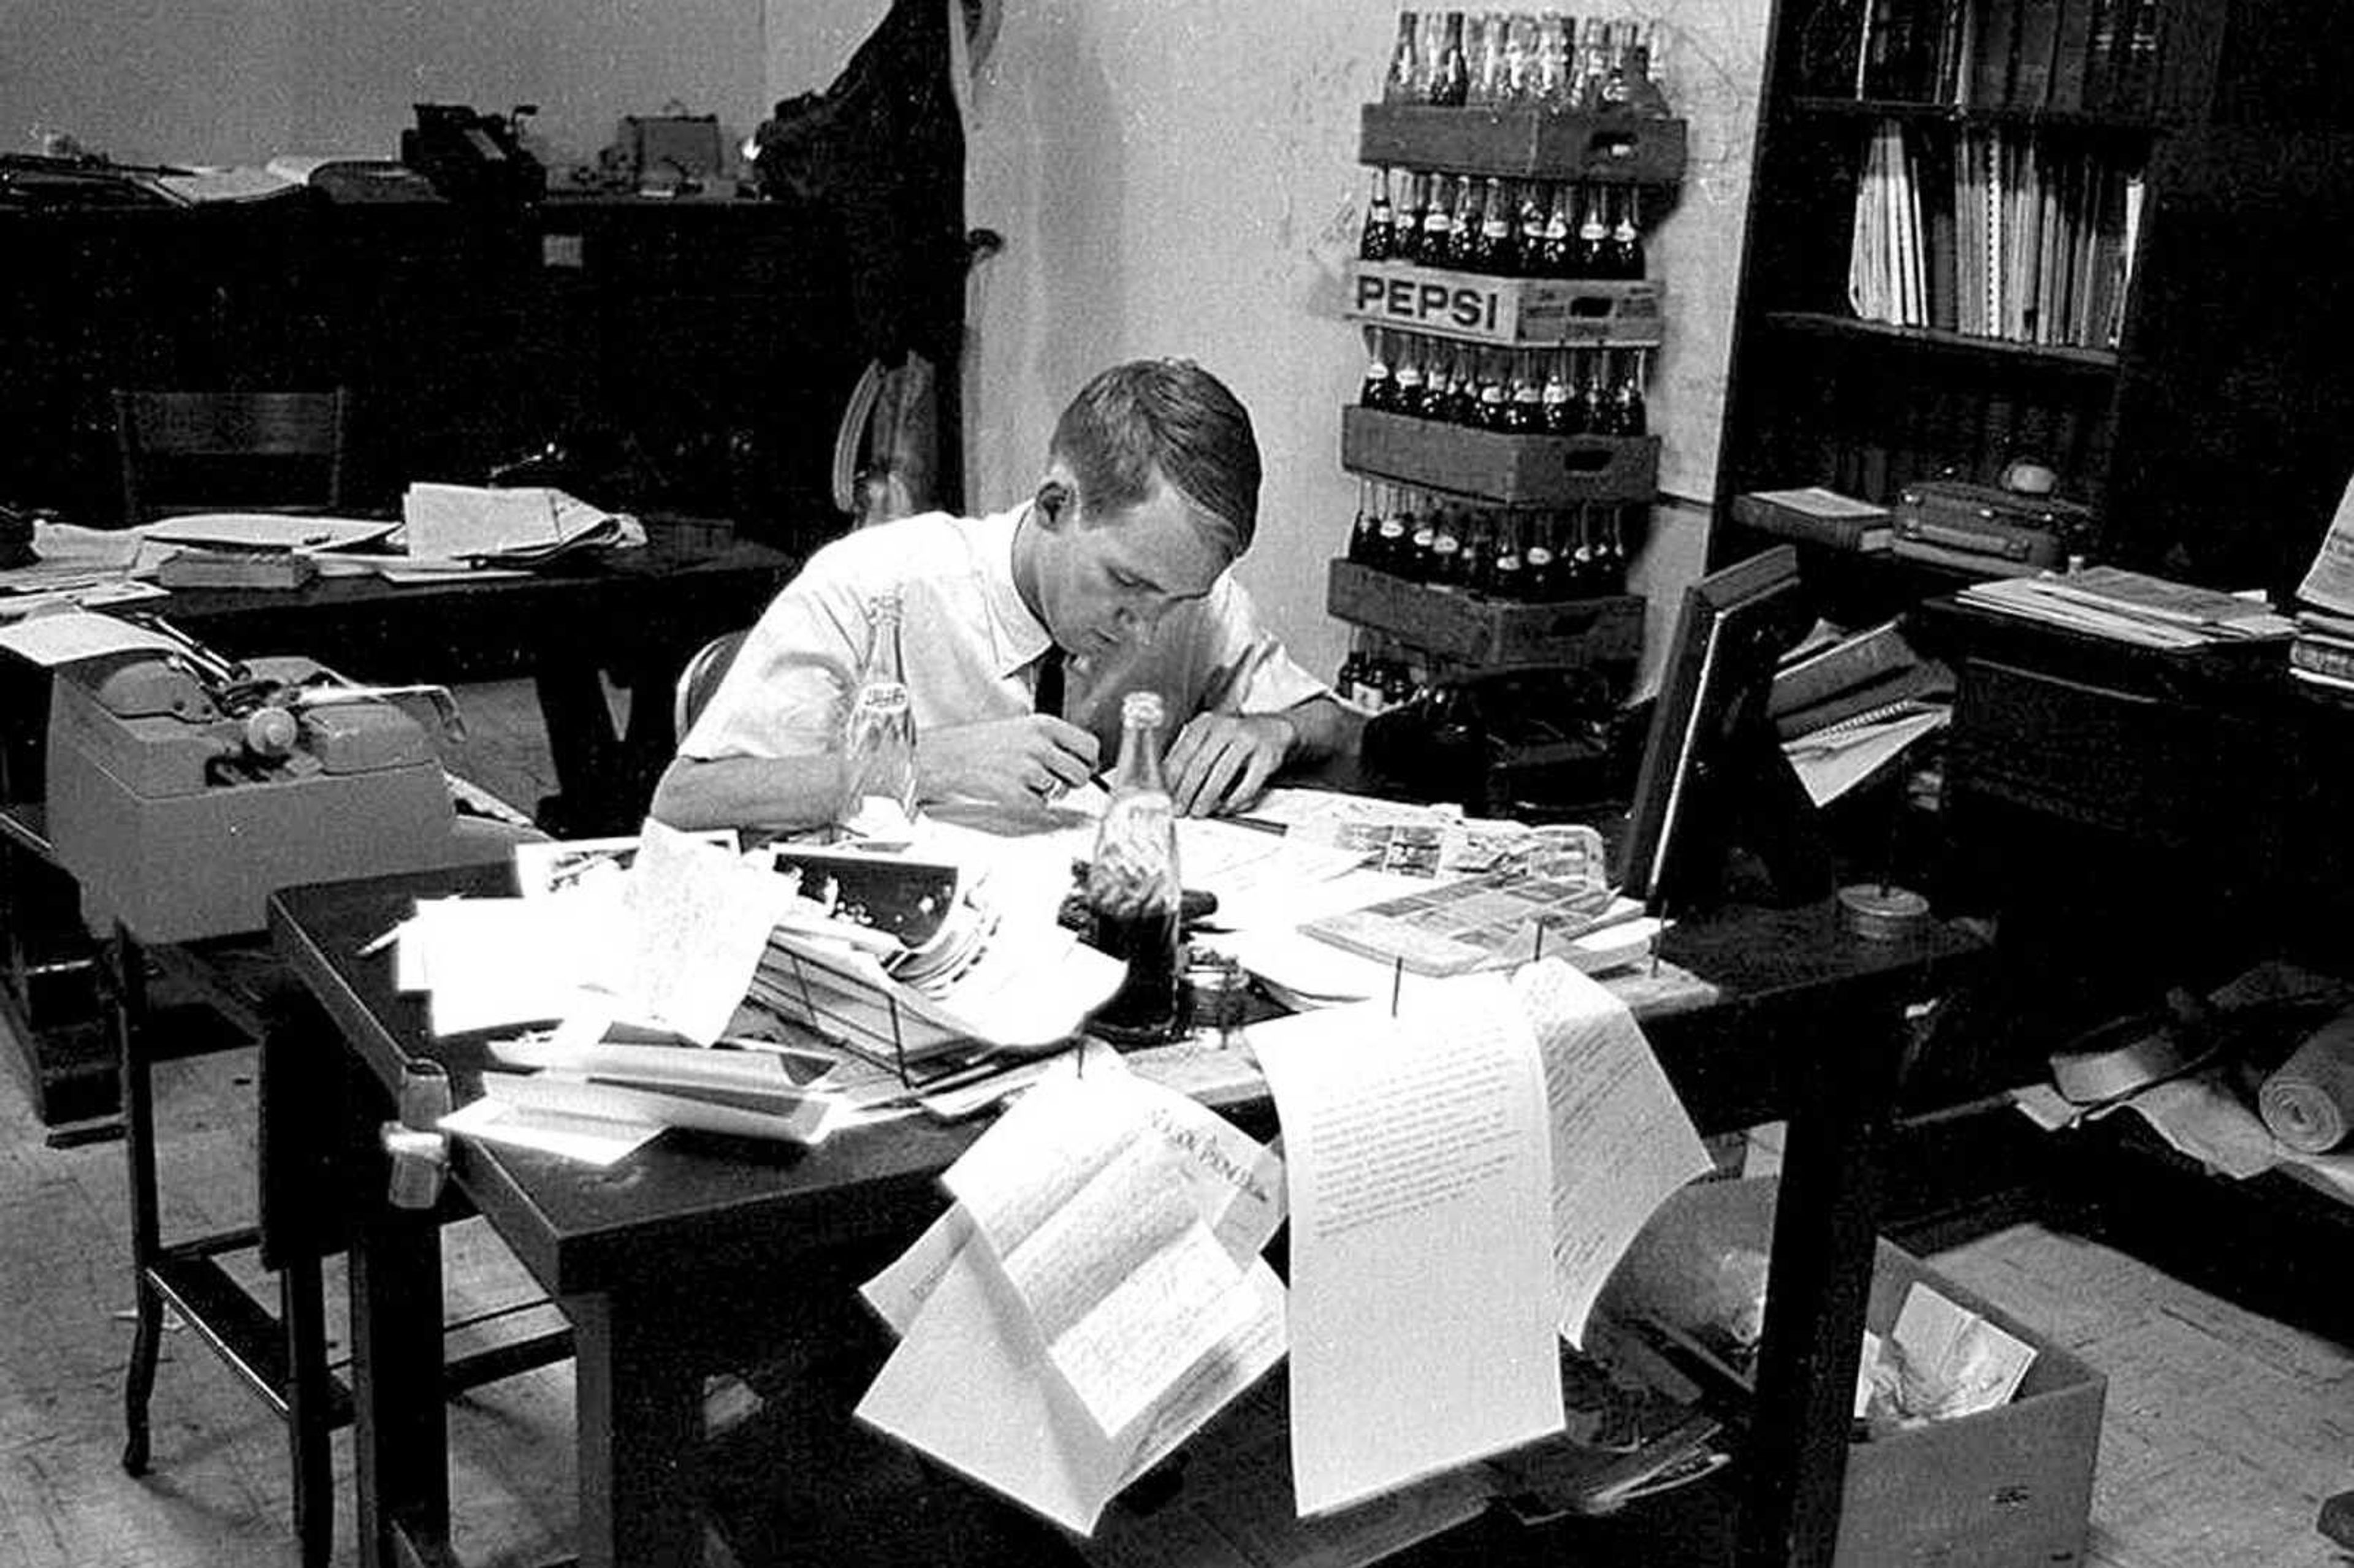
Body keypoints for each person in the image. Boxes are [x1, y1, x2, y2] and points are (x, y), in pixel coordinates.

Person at [652, 358, 1358, 832]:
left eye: (1176, 600)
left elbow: (1332, 721)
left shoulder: (1188, 599)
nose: (1147, 629)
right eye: (1127, 584)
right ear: (1055, 505)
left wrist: (1272, 729)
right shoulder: (874, 583)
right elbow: (686, 800)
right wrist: (924, 765)